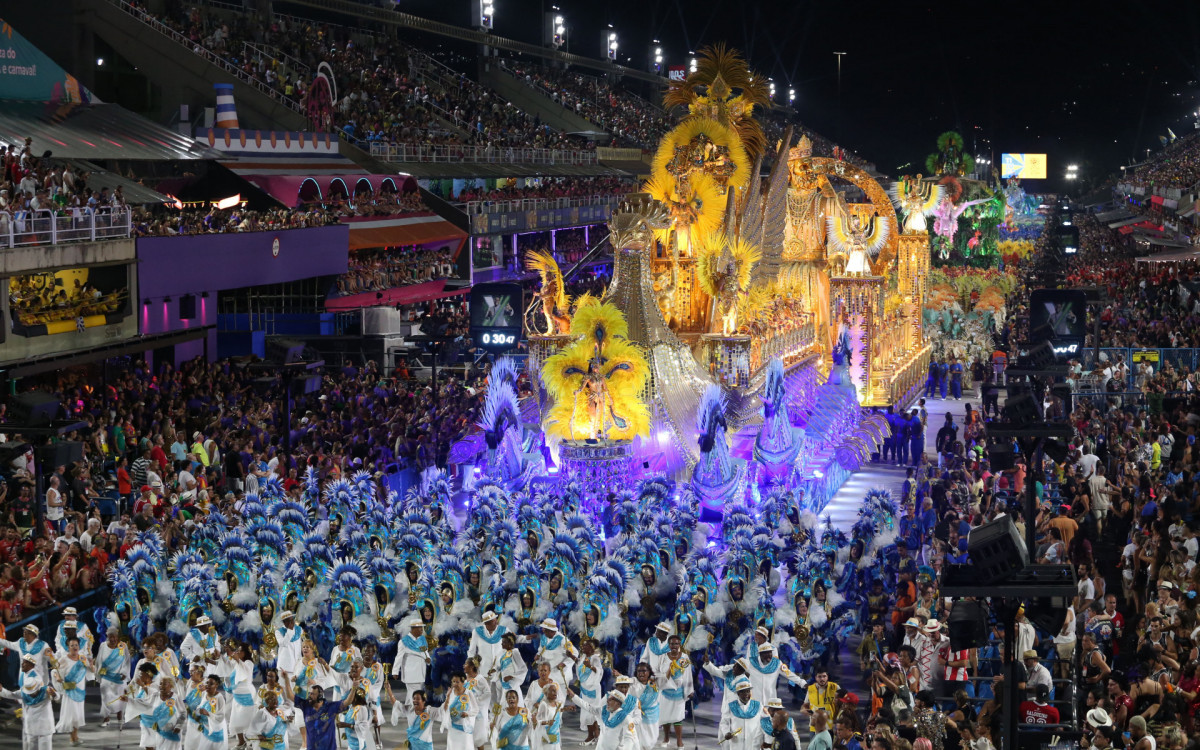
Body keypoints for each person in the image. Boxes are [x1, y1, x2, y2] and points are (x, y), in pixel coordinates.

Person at [2, 653, 57, 750]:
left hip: (45, 728)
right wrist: (1, 690)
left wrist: (54, 694)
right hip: (31, 727)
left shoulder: (45, 691)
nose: (30, 694)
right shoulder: (24, 692)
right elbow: (11, 694)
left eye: (32, 692)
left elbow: (57, 696)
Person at [54, 636, 90, 745]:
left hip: (80, 690)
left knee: (77, 715)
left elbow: (90, 670)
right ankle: (72, 738)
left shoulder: (82, 658)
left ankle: (75, 737)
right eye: (72, 645)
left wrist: (92, 665)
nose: (75, 647)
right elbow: (55, 671)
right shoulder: (64, 659)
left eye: (76, 645)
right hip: (70, 691)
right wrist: (58, 678)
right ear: (68, 647)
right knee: (71, 714)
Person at [97, 627, 132, 728]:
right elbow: (99, 660)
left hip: (119, 677)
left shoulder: (123, 646)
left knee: (120, 697)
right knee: (105, 697)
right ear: (107, 636)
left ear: (117, 636)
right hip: (106, 676)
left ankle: (120, 717)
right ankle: (106, 718)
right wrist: (100, 672)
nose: (112, 639)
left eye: (114, 637)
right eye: (110, 637)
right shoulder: (103, 646)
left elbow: (126, 661)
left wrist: (124, 672)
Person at [717, 680, 762, 750]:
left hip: (753, 742)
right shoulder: (731, 706)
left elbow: (764, 722)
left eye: (748, 691)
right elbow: (724, 722)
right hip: (736, 742)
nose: (746, 694)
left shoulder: (758, 706)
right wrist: (726, 732)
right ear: (738, 693)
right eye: (743, 692)